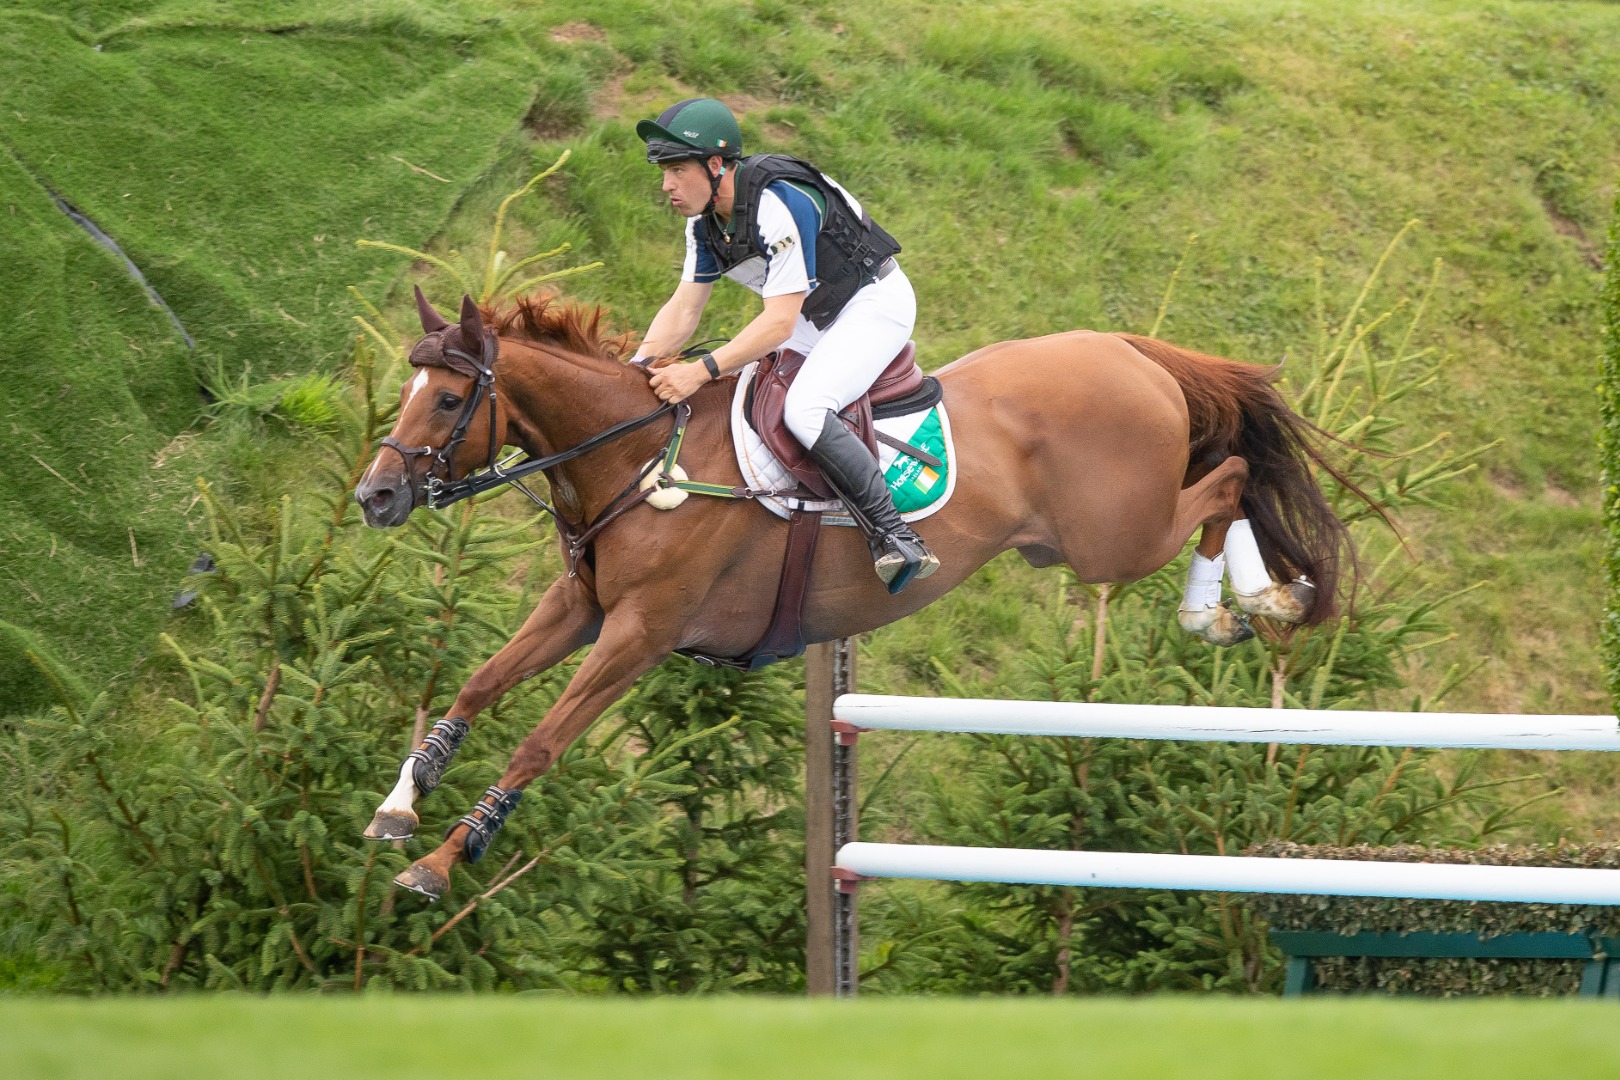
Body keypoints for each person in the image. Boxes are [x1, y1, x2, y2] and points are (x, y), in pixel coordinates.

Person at [633, 97, 939, 595]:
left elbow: (777, 322)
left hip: (871, 305)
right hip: (810, 316)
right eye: (663, 171)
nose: (666, 185)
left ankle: (896, 536)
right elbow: (684, 311)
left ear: (715, 165)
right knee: (742, 401)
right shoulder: (704, 225)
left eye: (676, 170)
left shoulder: (779, 202)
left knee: (805, 409)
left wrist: (699, 370)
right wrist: (636, 366)